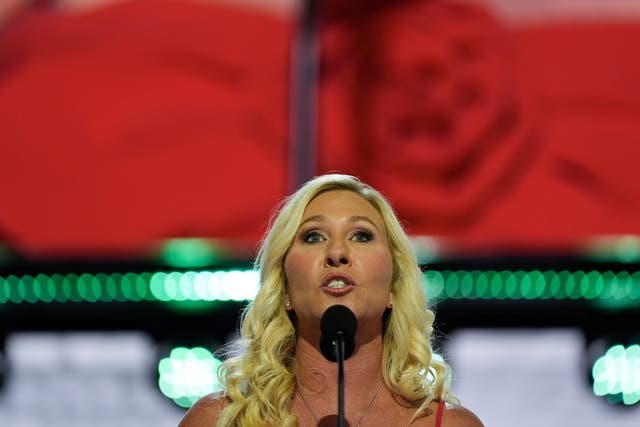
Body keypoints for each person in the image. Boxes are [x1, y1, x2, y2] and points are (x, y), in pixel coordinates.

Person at [179, 173, 483, 426]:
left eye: (361, 236)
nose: (337, 253)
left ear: (393, 285)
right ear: (284, 288)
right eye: (314, 237)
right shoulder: (219, 420)